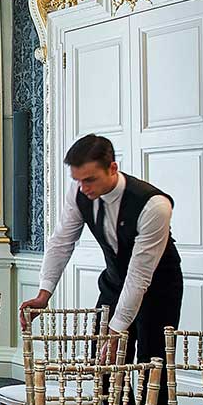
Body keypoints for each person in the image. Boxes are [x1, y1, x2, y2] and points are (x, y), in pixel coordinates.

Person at [22, 134, 183, 374]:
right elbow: (61, 242)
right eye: (78, 180)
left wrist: (117, 330)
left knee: (152, 370)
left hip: (158, 290)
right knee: (105, 369)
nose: (84, 188)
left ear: (112, 168)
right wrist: (44, 294)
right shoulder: (79, 191)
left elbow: (139, 276)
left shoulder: (155, 205)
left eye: (90, 180)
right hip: (115, 283)